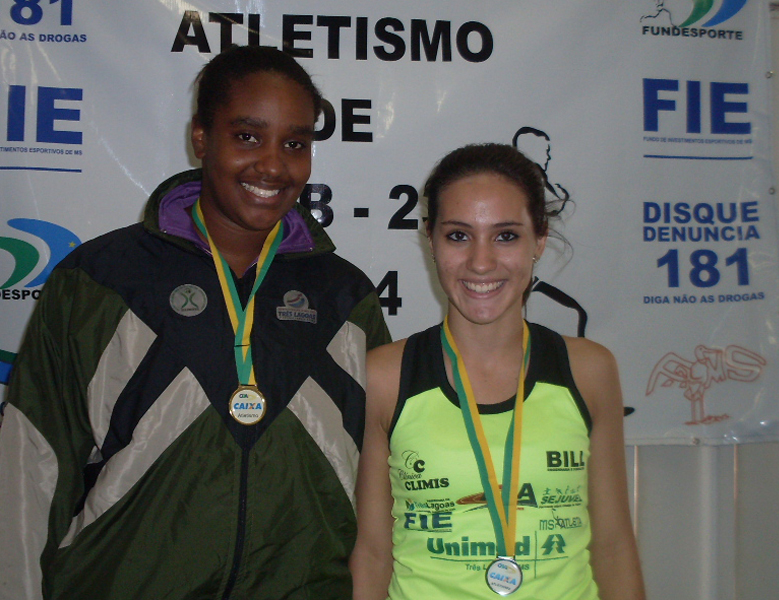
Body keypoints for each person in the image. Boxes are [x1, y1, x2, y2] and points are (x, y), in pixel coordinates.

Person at [0, 45, 390, 600]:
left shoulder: (345, 299)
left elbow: (381, 487)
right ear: (202, 138)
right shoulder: (102, 281)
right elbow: (28, 466)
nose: (274, 165)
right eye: (248, 136)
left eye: (296, 144)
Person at [350, 143, 645, 599]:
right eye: (458, 236)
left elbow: (612, 547)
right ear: (430, 240)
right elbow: (371, 553)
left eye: (505, 235)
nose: (481, 262)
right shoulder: (385, 376)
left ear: (539, 240)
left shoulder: (589, 369)